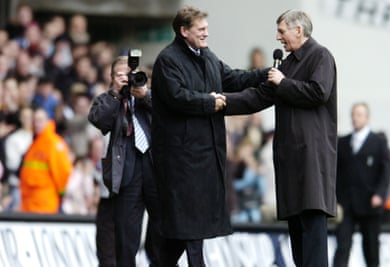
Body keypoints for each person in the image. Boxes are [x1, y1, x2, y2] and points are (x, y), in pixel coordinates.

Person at [150, 6, 269, 266]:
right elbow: (176, 97)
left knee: (186, 230)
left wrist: (266, 74)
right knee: (190, 227)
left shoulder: (207, 55)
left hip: (204, 157)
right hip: (181, 160)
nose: (207, 33)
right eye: (201, 29)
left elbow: (234, 78)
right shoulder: (167, 60)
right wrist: (208, 103)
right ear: (184, 31)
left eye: (206, 28)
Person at [225, 9, 337, 267]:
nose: (278, 38)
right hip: (290, 159)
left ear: (299, 30)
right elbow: (258, 96)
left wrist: (283, 82)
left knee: (312, 230)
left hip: (311, 158)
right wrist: (220, 102)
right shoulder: (286, 64)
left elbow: (319, 92)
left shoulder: (320, 56)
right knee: (298, 234)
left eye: (282, 31)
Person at [88, 55, 162, 266]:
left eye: (129, 74)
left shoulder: (150, 95)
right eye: (121, 75)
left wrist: (144, 95)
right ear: (112, 78)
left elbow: (166, 116)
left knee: (161, 229)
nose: (126, 79)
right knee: (126, 236)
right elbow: (99, 120)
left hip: (154, 166)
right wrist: (115, 94)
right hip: (127, 170)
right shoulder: (107, 99)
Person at [333, 102, 390, 267]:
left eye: (359, 115)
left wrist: (380, 194)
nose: (355, 118)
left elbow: (386, 170)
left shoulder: (378, 142)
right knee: (342, 245)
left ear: (367, 117)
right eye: (353, 114)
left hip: (369, 204)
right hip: (347, 205)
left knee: (371, 247)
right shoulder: (343, 143)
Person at [20, 107, 73, 213]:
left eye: (40, 120)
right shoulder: (35, 143)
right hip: (29, 202)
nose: (36, 124)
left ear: (48, 121)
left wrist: (61, 195)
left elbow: (64, 171)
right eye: (35, 120)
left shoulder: (54, 143)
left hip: (45, 202)